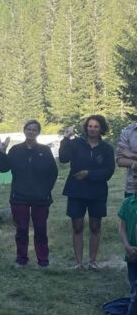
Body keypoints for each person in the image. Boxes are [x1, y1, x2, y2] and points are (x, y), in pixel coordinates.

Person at [0, 120, 58, 268]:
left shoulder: (45, 150)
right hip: (19, 196)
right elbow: (3, 169)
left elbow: (53, 172)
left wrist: (46, 190)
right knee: (21, 229)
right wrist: (2, 152)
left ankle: (43, 261)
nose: (31, 132)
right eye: (28, 129)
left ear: (38, 132)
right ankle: (21, 259)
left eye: (34, 130)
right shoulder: (15, 150)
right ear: (24, 131)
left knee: (41, 230)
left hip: (41, 198)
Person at [59, 115, 115, 270]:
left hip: (97, 192)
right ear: (86, 127)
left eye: (96, 126)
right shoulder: (75, 143)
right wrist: (66, 138)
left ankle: (92, 261)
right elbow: (63, 158)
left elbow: (109, 171)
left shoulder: (107, 148)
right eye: (90, 126)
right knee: (77, 227)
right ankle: (78, 262)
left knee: (95, 227)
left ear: (101, 128)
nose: (92, 129)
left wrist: (88, 174)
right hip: (76, 190)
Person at [115, 121, 137, 197]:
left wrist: (132, 155)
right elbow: (121, 161)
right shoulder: (128, 131)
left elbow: (127, 157)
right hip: (132, 188)